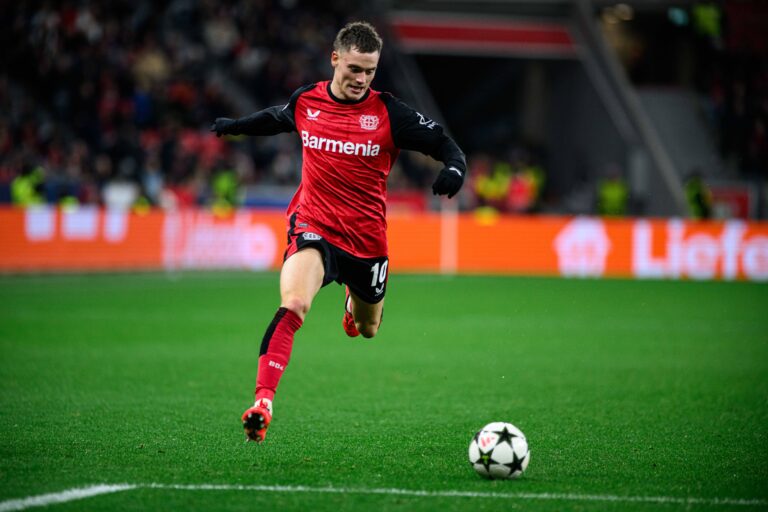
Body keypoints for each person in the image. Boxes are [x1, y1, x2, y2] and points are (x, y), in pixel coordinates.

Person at [210, 21, 466, 443]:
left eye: (369, 71)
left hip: (366, 242)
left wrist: (454, 168)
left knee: (368, 329)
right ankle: (262, 402)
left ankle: (353, 305)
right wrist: (238, 125)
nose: (361, 79)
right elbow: (278, 118)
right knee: (294, 303)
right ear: (335, 59)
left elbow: (444, 143)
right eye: (353, 69)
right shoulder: (308, 100)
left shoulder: (390, 113)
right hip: (314, 226)